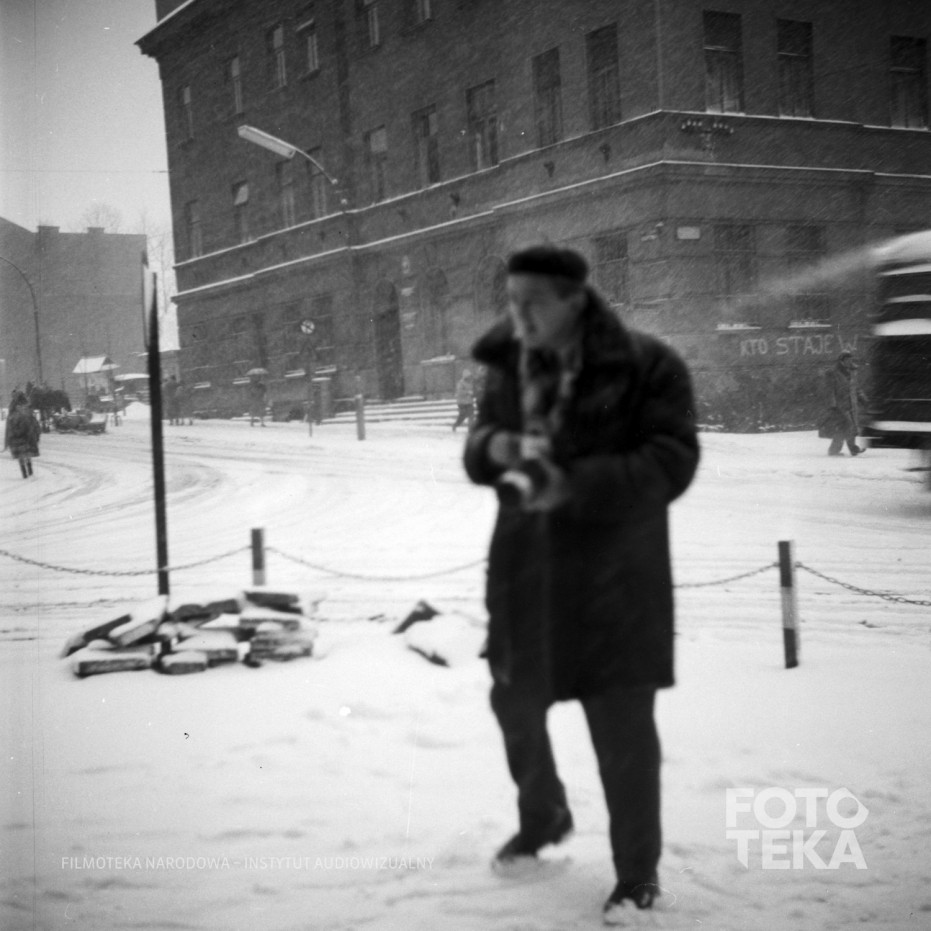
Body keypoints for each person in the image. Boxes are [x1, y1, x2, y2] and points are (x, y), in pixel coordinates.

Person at [463, 245, 699, 925]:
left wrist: (573, 483)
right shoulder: (511, 366)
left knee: (621, 730)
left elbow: (672, 460)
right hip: (528, 577)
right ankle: (544, 815)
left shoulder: (647, 364)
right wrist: (493, 448)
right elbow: (478, 446)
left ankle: (637, 876)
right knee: (514, 702)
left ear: (574, 300)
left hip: (614, 581)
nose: (518, 315)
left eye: (532, 302)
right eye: (511, 301)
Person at [823, 350, 867, 456]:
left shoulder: (852, 371)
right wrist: (832, 405)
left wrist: (863, 398)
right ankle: (851, 448)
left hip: (852, 404)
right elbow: (829, 390)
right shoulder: (833, 373)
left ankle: (836, 450)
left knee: (846, 427)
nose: (850, 361)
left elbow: (856, 387)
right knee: (848, 426)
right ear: (841, 361)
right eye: (847, 360)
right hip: (840, 405)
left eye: (851, 359)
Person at [4, 395, 41, 479]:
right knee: (26, 455)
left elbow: (9, 429)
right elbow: (33, 425)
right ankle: (29, 472)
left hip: (17, 438)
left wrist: (8, 440)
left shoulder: (12, 415)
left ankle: (25, 473)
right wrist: (35, 435)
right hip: (24, 438)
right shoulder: (25, 414)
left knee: (21, 456)